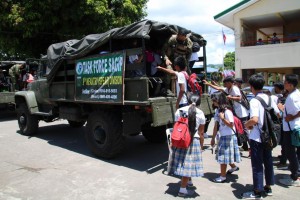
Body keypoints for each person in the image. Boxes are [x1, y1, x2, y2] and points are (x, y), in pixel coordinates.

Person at [242, 74, 279, 199]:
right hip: (269, 136)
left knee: (257, 164)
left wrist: (246, 125)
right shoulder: (270, 98)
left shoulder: (254, 100)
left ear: (251, 87)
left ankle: (257, 191)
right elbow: (278, 115)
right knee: (268, 162)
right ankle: (268, 187)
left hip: (257, 137)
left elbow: (254, 119)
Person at [169, 94, 205, 197]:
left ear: (188, 100)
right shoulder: (200, 113)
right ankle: (182, 190)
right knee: (188, 165)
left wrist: (172, 141)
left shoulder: (179, 111)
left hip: (180, 140)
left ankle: (189, 182)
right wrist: (201, 146)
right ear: (198, 103)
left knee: (185, 162)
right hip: (193, 141)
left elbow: (176, 127)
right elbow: (201, 133)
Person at [204, 76, 249, 149]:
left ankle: (250, 147)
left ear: (229, 83)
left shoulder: (234, 88)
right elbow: (219, 88)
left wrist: (230, 97)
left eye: (225, 83)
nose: (224, 85)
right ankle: (245, 145)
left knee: (244, 129)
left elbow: (239, 98)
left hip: (241, 112)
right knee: (239, 129)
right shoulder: (228, 88)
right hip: (236, 111)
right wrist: (209, 84)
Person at [210, 92, 240, 183]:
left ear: (219, 100)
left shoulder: (227, 111)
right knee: (226, 155)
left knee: (223, 157)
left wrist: (223, 118)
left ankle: (222, 177)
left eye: (214, 100)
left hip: (228, 136)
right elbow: (216, 126)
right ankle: (234, 167)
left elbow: (231, 125)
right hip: (223, 136)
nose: (213, 102)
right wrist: (213, 138)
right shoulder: (218, 111)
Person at [278, 74, 300, 187]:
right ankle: (296, 173)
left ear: (290, 84)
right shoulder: (292, 94)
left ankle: (294, 177)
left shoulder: (293, 96)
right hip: (292, 127)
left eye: (285, 82)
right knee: (295, 152)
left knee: (290, 152)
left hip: (292, 128)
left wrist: (292, 117)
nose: (284, 83)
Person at [161, 29, 193, 95]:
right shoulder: (172, 39)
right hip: (171, 60)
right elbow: (163, 50)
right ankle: (167, 88)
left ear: (185, 36)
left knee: (188, 72)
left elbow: (189, 53)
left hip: (181, 60)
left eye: (180, 36)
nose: (178, 37)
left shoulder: (188, 42)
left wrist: (186, 62)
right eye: (178, 35)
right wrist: (166, 59)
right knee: (168, 69)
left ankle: (190, 88)